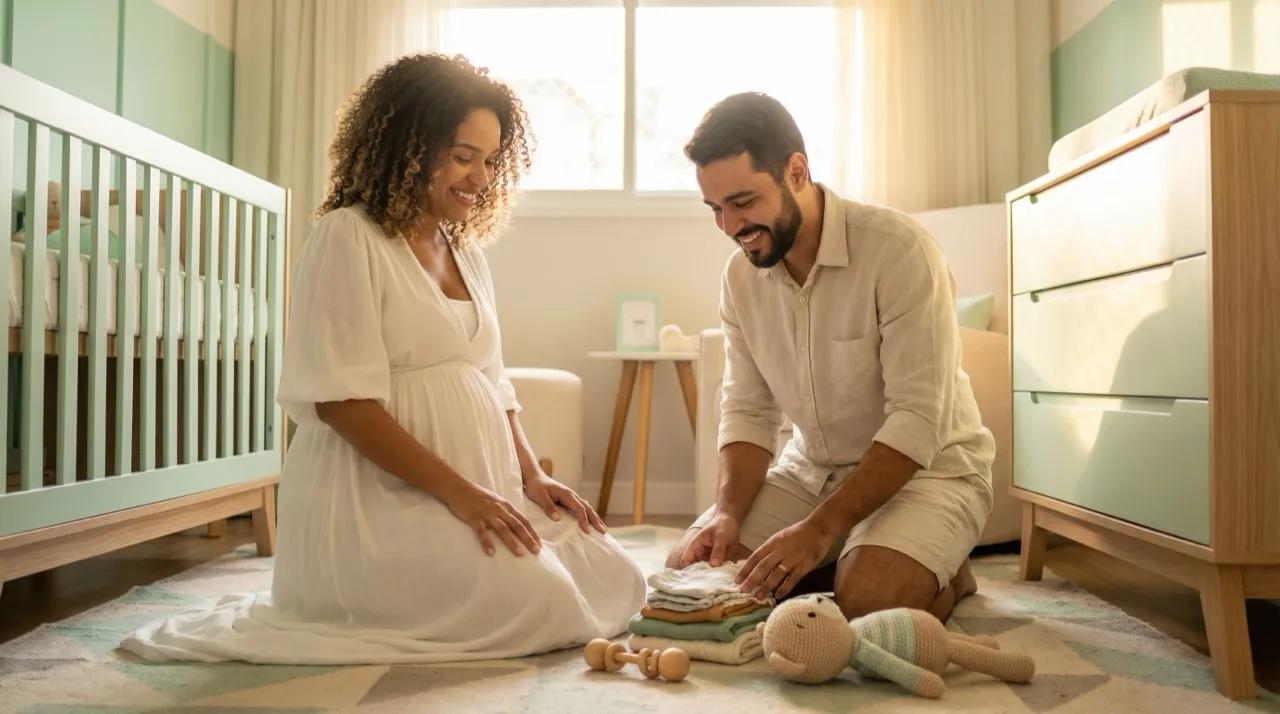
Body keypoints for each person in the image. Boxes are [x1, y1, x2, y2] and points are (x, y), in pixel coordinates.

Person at [120, 53, 646, 665]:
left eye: (490, 160)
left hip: (476, 488)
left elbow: (494, 384)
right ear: (408, 146)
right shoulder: (348, 236)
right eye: (462, 156)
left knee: (616, 575)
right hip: (373, 502)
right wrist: (460, 493)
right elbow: (342, 403)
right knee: (544, 604)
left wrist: (531, 477)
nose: (480, 177)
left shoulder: (464, 248)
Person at [665, 92, 995, 624]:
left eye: (744, 202)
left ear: (796, 171)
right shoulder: (739, 279)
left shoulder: (899, 251)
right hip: (813, 472)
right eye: (715, 209)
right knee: (693, 575)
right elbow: (748, 410)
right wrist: (727, 513)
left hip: (929, 472)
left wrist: (818, 531)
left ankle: (933, 572)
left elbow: (916, 419)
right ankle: (854, 557)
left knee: (868, 598)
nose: (729, 227)